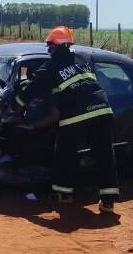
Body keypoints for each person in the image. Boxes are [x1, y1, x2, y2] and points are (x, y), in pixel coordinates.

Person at [14, 26, 120, 213]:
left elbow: (31, 90)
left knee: (65, 154)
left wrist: (16, 103)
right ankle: (108, 201)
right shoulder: (83, 59)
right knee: (104, 155)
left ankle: (63, 195)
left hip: (76, 114)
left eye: (49, 47)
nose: (48, 51)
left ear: (55, 47)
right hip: (103, 110)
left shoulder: (52, 65)